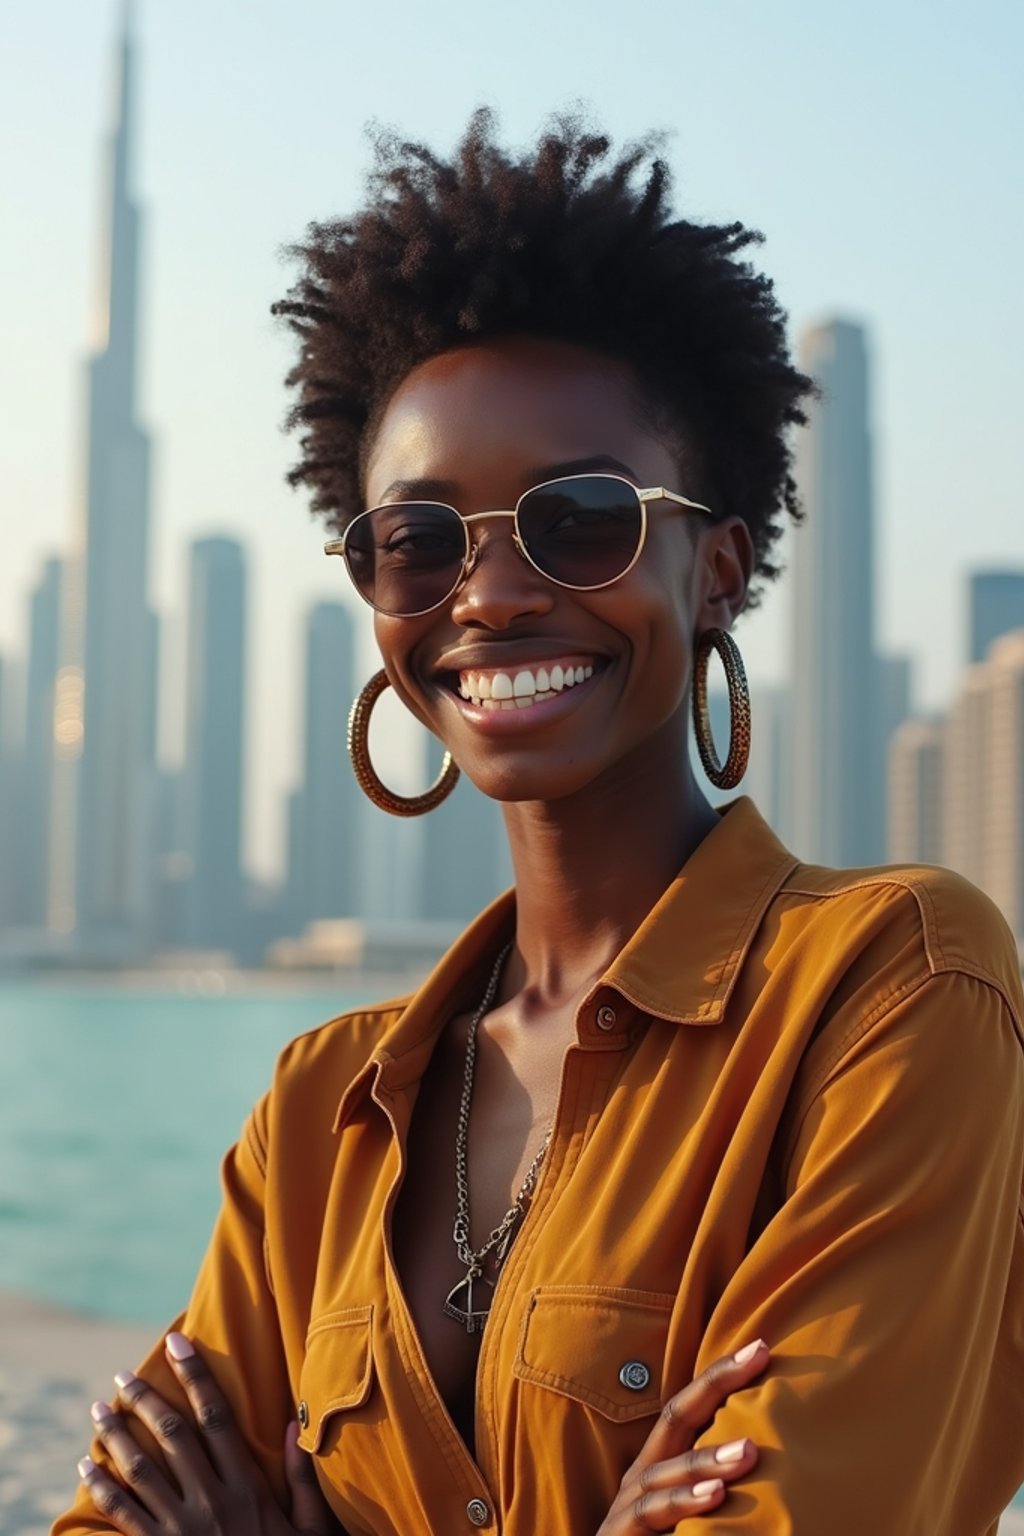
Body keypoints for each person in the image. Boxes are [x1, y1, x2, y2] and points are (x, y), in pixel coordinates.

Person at [55, 111, 1024, 1536]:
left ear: (718, 571)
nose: (491, 594)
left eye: (580, 520)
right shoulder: (317, 1118)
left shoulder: (894, 989)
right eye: (419, 539)